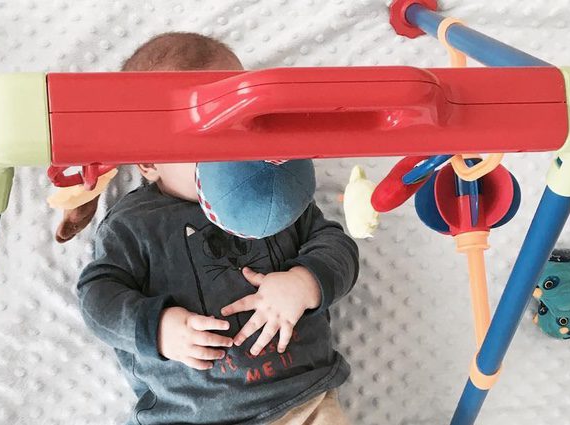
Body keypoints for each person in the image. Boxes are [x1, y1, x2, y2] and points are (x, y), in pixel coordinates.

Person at [57, 32, 359, 425]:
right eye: (202, 140)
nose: (227, 150)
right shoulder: (137, 222)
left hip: (302, 402)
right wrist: (159, 328)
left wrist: (304, 282)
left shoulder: (273, 188)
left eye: (239, 125)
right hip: (189, 414)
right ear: (148, 161)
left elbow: (336, 245)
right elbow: (99, 298)